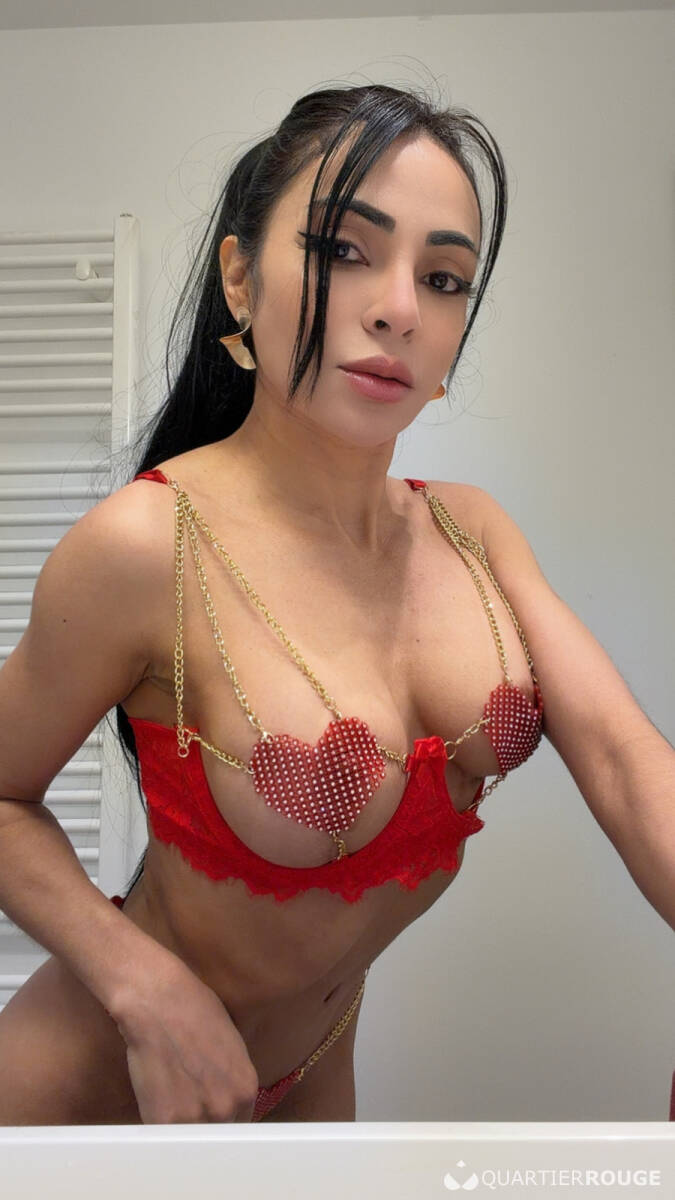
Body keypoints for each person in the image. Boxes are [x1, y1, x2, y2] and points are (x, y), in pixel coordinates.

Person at [0, 82, 672, 1127]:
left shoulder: (473, 534)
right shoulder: (148, 545)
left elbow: (630, 768)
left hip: (312, 1093)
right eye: (344, 250)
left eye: (443, 277)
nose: (399, 306)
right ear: (239, 277)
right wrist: (144, 989)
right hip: (93, 1097)